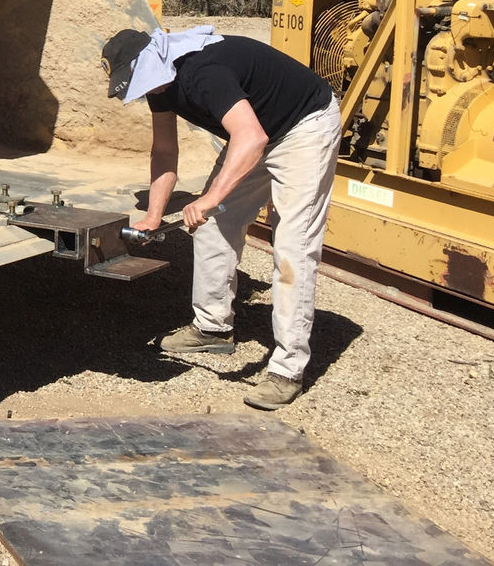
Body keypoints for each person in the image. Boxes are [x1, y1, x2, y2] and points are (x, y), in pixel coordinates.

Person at [100, 25, 340, 410]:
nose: (139, 91)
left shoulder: (202, 73)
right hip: (259, 130)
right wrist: (153, 215)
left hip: (303, 127)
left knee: (292, 248)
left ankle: (287, 370)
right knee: (212, 225)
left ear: (150, 65)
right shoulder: (160, 83)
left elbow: (251, 139)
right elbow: (164, 151)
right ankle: (213, 328)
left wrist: (211, 197)